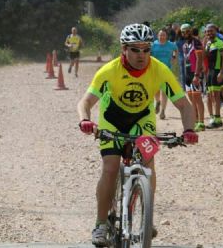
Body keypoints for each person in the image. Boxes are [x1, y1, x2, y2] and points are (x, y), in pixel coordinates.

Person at [76, 23, 197, 246]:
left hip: (142, 121)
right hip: (112, 121)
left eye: (146, 49)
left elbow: (184, 104)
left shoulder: (159, 69)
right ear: (124, 49)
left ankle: (146, 216)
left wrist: (189, 130)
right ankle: (101, 223)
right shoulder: (109, 71)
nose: (142, 55)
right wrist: (85, 119)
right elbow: (86, 101)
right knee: (111, 168)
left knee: (148, 162)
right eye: (135, 49)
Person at [203, 24, 223, 128]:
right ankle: (213, 118)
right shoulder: (208, 43)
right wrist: (204, 44)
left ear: (216, 31)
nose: (209, 33)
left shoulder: (220, 42)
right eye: (207, 31)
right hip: (209, 72)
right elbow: (204, 57)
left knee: (216, 95)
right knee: (209, 96)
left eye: (211, 31)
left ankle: (218, 119)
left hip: (217, 70)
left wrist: (221, 72)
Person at [181, 24, 205, 131]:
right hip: (187, 74)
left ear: (191, 31)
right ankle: (195, 121)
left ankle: (201, 122)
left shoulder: (196, 42)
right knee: (191, 99)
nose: (186, 33)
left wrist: (197, 75)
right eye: (183, 32)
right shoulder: (184, 44)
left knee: (198, 98)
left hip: (195, 73)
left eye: (187, 31)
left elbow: (200, 59)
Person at [151, 27, 178, 119]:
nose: (161, 36)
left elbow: (175, 50)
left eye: (163, 35)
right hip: (155, 71)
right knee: (156, 90)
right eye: (160, 35)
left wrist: (174, 57)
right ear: (157, 36)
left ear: (166, 36)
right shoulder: (153, 45)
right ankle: (158, 101)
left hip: (166, 70)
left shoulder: (171, 45)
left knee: (164, 91)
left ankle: (163, 111)